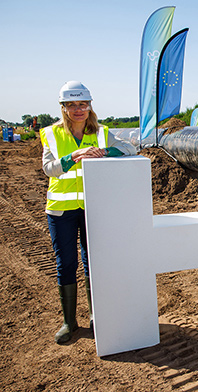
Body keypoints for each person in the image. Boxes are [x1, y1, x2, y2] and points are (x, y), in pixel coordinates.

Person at [40, 81, 137, 344]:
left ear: (89, 106)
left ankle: (97, 316)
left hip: (95, 207)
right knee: (66, 263)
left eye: (82, 104)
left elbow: (131, 148)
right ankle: (69, 322)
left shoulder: (102, 132)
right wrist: (76, 155)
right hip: (62, 210)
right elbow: (49, 169)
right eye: (71, 105)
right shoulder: (51, 133)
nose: (78, 109)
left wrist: (106, 152)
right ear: (63, 108)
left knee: (93, 262)